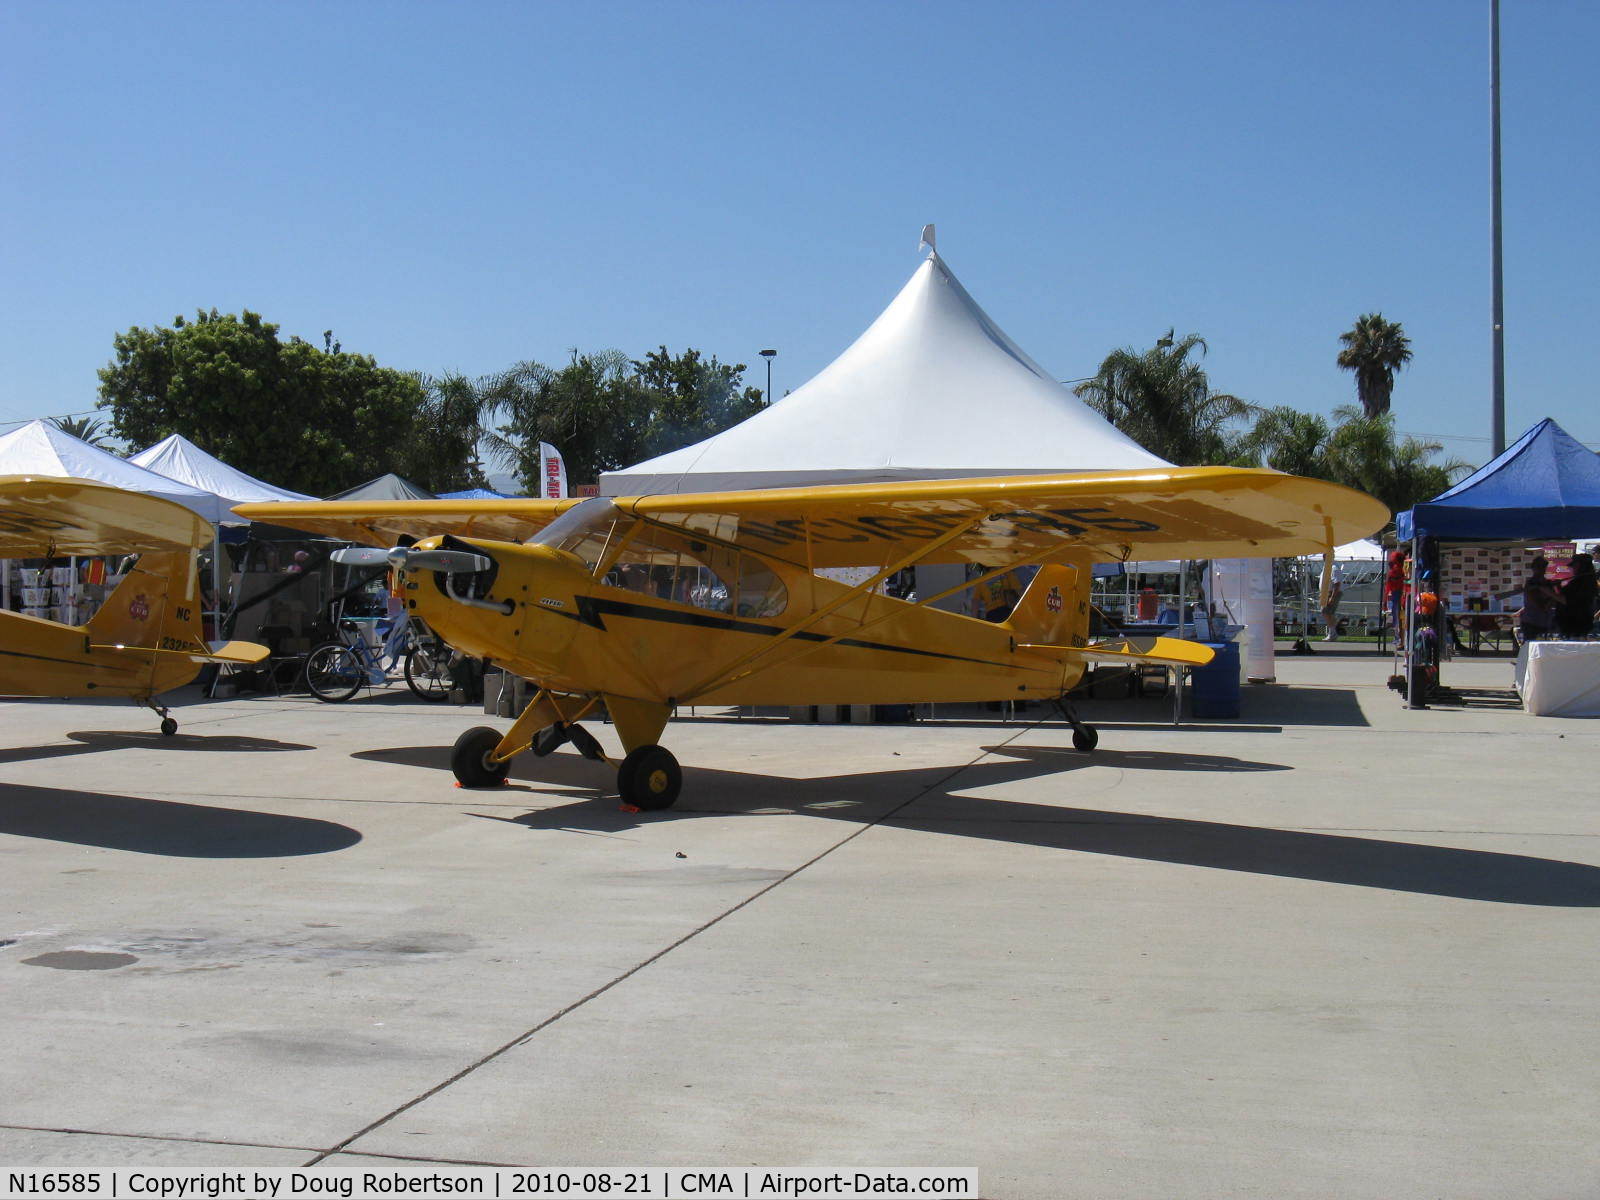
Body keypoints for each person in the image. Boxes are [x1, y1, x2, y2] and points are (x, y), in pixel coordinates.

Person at [1516, 556, 1559, 644]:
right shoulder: (1531, 583)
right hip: (1531, 621)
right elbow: (1537, 603)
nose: (1541, 569)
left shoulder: (1547, 583)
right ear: (1534, 568)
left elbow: (1554, 600)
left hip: (1544, 621)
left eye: (1543, 567)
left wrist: (1553, 593)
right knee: (1530, 647)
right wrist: (1548, 601)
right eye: (1539, 567)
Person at [1556, 552, 1597, 639]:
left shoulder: (1581, 583)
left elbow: (1567, 600)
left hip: (1575, 623)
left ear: (1581, 566)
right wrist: (1559, 587)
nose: (1573, 569)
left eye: (1575, 565)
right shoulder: (1588, 581)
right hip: (1579, 622)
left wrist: (1547, 591)